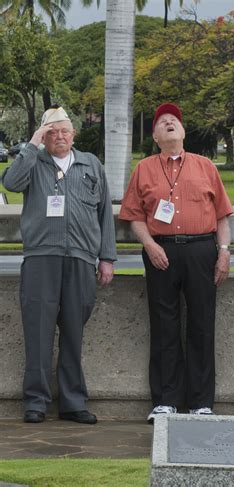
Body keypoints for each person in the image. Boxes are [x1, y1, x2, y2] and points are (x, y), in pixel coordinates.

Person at [119, 103, 234, 423]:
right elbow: (134, 217)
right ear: (155, 137)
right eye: (162, 122)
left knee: (201, 324)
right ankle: (166, 399)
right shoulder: (143, 169)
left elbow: (223, 215)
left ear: (182, 133)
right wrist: (150, 245)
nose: (169, 123)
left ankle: (201, 402)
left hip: (201, 250)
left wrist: (223, 251)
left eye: (175, 121)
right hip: (161, 252)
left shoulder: (205, 166)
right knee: (164, 325)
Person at [3, 107, 116, 424]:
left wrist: (106, 257)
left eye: (64, 130)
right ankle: (36, 401)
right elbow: (10, 183)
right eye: (52, 132)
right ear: (44, 136)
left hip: (81, 258)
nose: (59, 136)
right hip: (41, 257)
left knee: (73, 332)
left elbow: (104, 212)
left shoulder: (90, 164)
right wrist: (33, 142)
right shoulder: (33, 162)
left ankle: (72, 402)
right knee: (37, 332)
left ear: (74, 134)